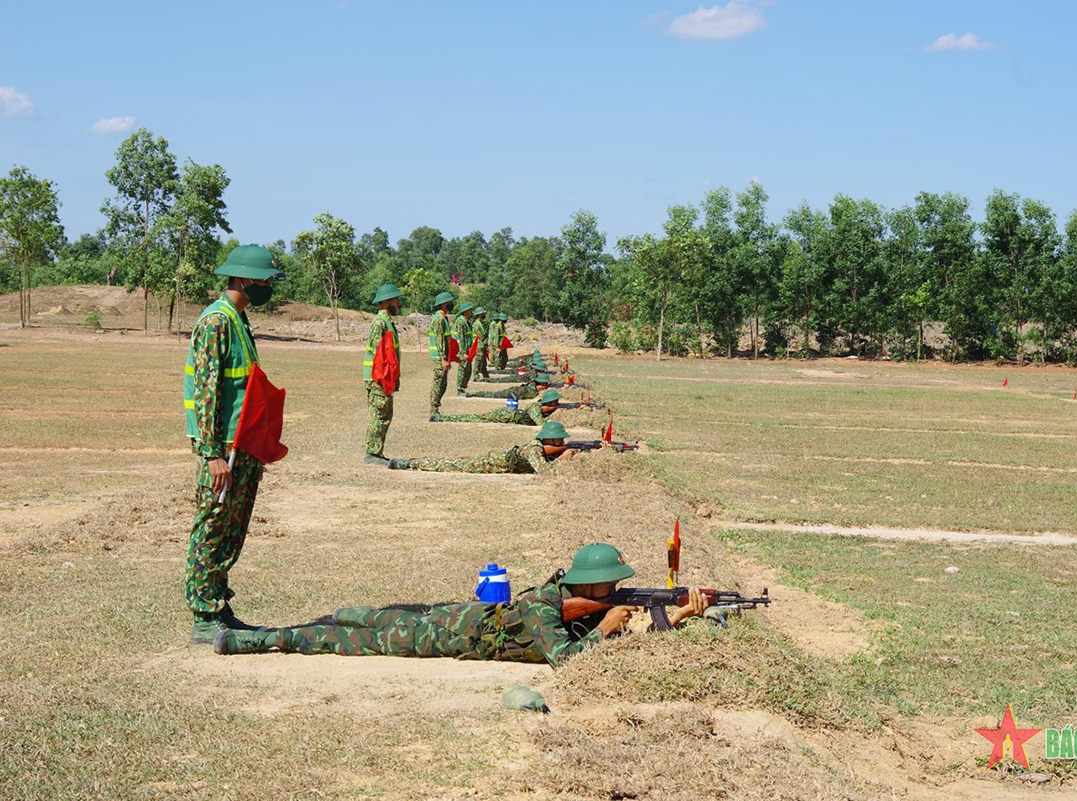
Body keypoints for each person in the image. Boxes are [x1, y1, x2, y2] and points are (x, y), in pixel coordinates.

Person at [213, 543, 711, 665]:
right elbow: (567, 660)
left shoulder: (577, 603)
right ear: (593, 586)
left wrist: (683, 613)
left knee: (363, 615)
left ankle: (287, 627)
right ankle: (250, 639)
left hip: (457, 615)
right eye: (614, 588)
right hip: (441, 635)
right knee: (337, 634)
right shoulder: (544, 607)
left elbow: (639, 635)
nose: (617, 594)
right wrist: (604, 630)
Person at [183, 244, 284, 644]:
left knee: (231, 530)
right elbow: (207, 394)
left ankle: (219, 607)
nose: (270, 286)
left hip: (242, 445)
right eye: (266, 279)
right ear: (245, 278)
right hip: (222, 447)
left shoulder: (239, 320)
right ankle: (203, 615)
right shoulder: (216, 323)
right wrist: (211, 455)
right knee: (212, 527)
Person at [390, 420, 582, 473]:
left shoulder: (540, 447)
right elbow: (545, 473)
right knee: (450, 465)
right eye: (560, 440)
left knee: (455, 462)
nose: (563, 443)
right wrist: (563, 459)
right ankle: (410, 463)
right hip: (493, 463)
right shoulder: (534, 448)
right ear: (551, 438)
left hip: (498, 460)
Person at [363, 283, 402, 467]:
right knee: (378, 415)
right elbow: (380, 356)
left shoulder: (386, 322)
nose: (398, 303)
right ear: (386, 301)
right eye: (396, 299)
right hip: (379, 378)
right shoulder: (380, 323)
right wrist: (385, 379)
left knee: (385, 416)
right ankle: (372, 453)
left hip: (384, 378)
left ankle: (377, 452)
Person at [430, 389, 561, 426]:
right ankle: (440, 418)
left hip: (509, 414)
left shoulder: (538, 406)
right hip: (505, 415)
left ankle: (440, 418)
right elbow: (541, 423)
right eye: (555, 404)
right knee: (475, 418)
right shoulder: (535, 408)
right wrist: (556, 414)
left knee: (476, 418)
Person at [427, 291, 455, 419]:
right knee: (439, 383)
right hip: (439, 357)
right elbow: (440, 341)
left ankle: (436, 408)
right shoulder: (439, 319)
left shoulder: (443, 318)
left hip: (443, 357)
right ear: (443, 304)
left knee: (443, 383)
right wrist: (443, 359)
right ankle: (433, 410)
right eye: (449, 302)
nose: (451, 304)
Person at [465, 372, 554, 400]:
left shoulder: (532, 385)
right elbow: (534, 394)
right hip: (511, 393)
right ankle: (473, 394)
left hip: (513, 391)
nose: (546, 386)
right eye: (545, 384)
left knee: (492, 393)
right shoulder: (532, 390)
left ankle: (473, 393)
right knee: (492, 395)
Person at [451, 300, 475, 397]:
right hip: (462, 350)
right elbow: (461, 339)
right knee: (463, 369)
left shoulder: (467, 322)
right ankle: (459, 389)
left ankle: (463, 388)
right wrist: (463, 352)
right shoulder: (461, 322)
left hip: (468, 350)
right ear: (465, 311)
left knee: (468, 370)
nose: (471, 312)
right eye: (470, 310)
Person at [470, 307, 490, 379]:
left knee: (483, 360)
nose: (484, 315)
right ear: (479, 315)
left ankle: (485, 374)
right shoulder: (476, 324)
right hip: (478, 344)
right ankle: (475, 375)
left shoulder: (483, 323)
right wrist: (484, 339)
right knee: (478, 360)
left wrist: (486, 340)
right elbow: (480, 334)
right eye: (483, 314)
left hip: (483, 344)